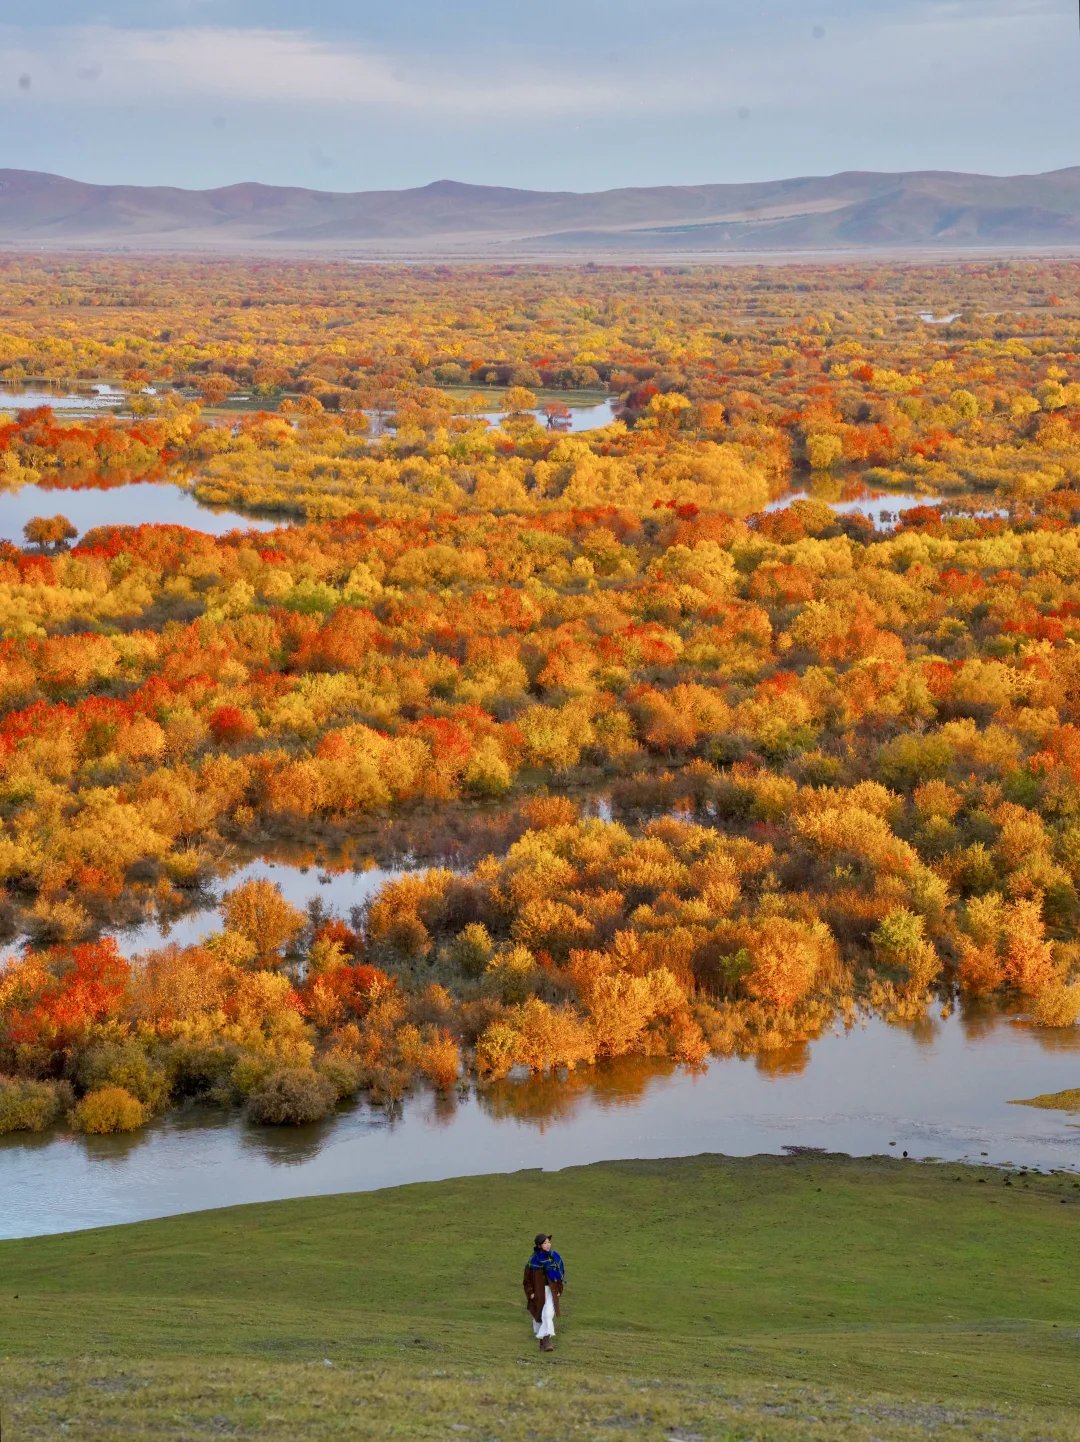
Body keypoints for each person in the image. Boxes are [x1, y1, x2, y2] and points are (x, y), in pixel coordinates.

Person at [523, 1232, 565, 1352]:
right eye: (544, 1243)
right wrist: (530, 1292)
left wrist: (559, 1289)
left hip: (552, 1291)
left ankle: (547, 1343)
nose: (548, 1245)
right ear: (539, 1245)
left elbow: (560, 1276)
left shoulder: (554, 1257)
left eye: (548, 1242)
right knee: (539, 1317)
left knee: (547, 1315)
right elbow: (526, 1279)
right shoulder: (533, 1260)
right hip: (539, 1293)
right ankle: (543, 1344)